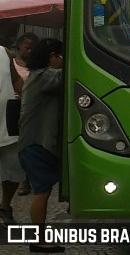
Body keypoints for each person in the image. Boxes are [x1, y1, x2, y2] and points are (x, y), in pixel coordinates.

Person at [18, 38, 65, 253]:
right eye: (60, 57)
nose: (62, 61)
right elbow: (71, 74)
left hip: (33, 143)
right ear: (51, 57)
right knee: (42, 192)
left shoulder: (37, 76)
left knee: (42, 191)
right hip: (36, 143)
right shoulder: (44, 76)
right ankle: (38, 239)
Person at [0, 43, 25, 227]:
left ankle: (5, 206)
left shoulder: (4, 52)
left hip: (6, 125)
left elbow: (16, 81)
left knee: (15, 170)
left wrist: (30, 96)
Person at [13, 32, 39, 196]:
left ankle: (31, 177)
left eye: (33, 48)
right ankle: (24, 179)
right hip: (15, 108)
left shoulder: (39, 66)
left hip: (34, 109)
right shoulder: (12, 64)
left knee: (32, 144)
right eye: (27, 47)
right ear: (19, 47)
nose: (30, 51)